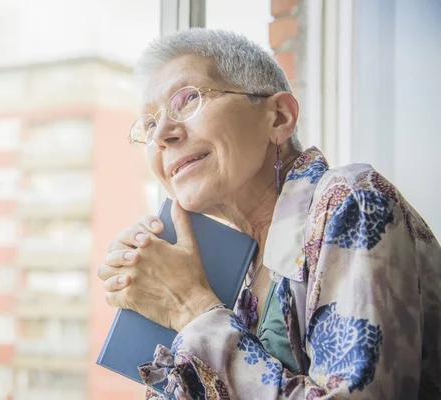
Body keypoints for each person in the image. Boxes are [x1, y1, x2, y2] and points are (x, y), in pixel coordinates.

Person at [96, 28, 441, 399]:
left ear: (278, 118)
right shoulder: (236, 273)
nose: (162, 133)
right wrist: (163, 307)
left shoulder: (349, 198)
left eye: (187, 99)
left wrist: (191, 308)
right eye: (149, 125)